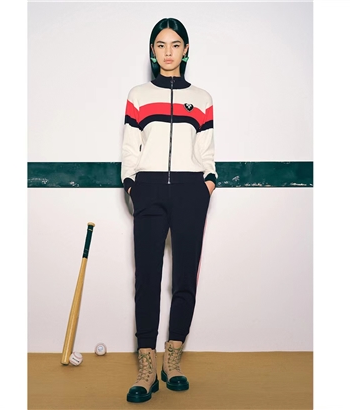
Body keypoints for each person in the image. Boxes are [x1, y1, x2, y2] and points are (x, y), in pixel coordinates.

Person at [121, 17, 217, 403]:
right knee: (147, 276)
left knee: (185, 277)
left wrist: (207, 182)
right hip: (149, 188)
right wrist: (132, 184)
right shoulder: (139, 95)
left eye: (175, 45)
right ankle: (147, 367)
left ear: (186, 50)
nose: (168, 52)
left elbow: (206, 149)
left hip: (191, 190)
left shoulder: (203, 98)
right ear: (152, 50)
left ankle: (172, 359)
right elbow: (130, 147)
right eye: (161, 45)